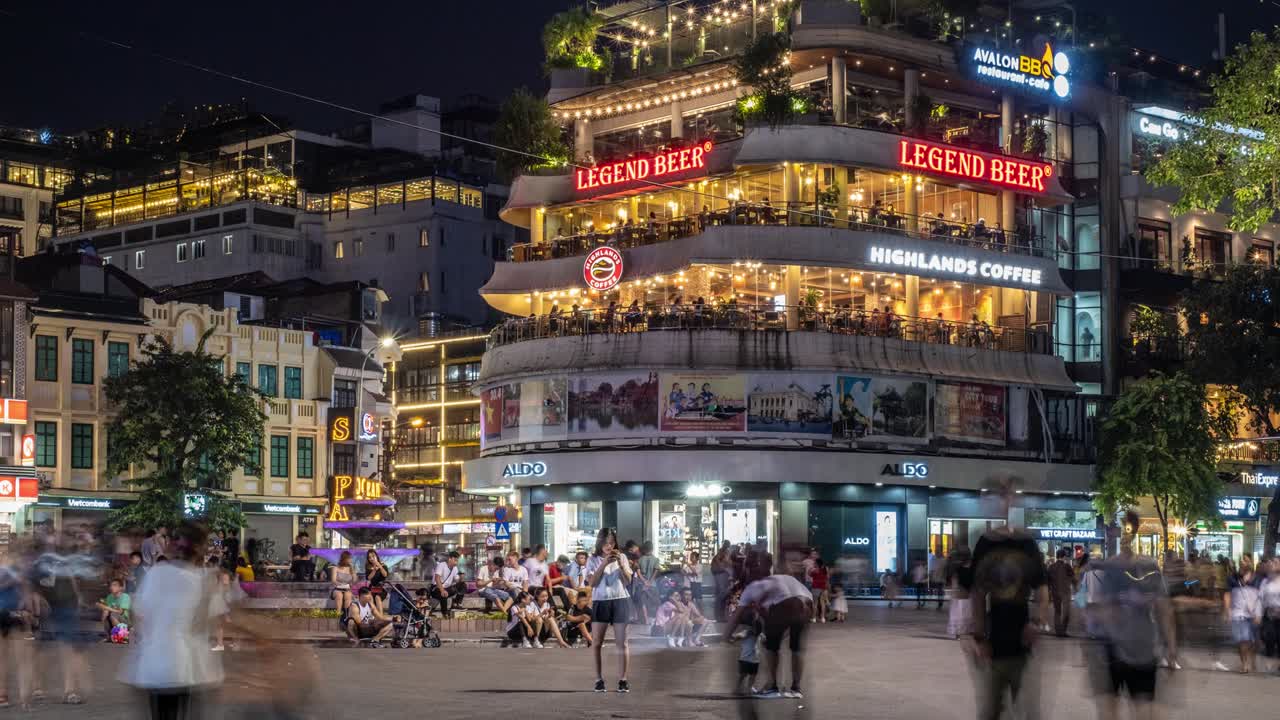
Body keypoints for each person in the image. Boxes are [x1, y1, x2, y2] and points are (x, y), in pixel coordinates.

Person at [963, 479, 1048, 720]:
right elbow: (977, 594)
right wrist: (979, 637)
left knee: (1028, 709)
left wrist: (1037, 622)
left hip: (1024, 643)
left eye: (1008, 494)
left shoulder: (1026, 543)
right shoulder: (986, 543)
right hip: (994, 642)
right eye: (999, 495)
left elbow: (1042, 589)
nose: (1004, 500)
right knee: (990, 709)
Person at [120, 521, 223, 719]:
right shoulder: (201, 581)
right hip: (184, 666)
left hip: (154, 664)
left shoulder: (156, 574)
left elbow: (139, 614)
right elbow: (201, 625)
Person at [1095, 511, 1175, 720]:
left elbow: (1164, 609)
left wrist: (1171, 646)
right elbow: (1102, 607)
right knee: (1121, 707)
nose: (1123, 535)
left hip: (1139, 647)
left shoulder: (1146, 566)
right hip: (1121, 647)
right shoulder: (1113, 566)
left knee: (1139, 707)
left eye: (1125, 529)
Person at [724, 559, 812, 699]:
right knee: (796, 649)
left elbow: (736, 616)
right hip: (807, 603)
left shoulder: (752, 587)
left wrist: (726, 636)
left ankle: (773, 687)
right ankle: (796, 688)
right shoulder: (782, 579)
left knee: (771, 647)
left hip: (786, 605)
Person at [587, 527, 633, 693]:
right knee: (597, 643)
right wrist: (604, 563)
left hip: (620, 600)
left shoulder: (623, 557)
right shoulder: (592, 560)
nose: (608, 546)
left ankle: (623, 679)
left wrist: (620, 564)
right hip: (601, 601)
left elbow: (628, 581)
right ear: (600, 543)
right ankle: (599, 679)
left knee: (622, 643)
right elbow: (592, 582)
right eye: (605, 543)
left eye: (612, 542)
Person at [1225, 557, 1263, 673]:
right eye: (1241, 562)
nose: (1242, 564)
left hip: (1253, 614)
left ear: (1251, 564)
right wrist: (1228, 610)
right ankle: (1244, 664)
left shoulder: (1258, 579)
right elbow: (1227, 594)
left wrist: (1258, 614)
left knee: (1254, 642)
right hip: (1238, 614)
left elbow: (1261, 597)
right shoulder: (1233, 578)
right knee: (1243, 640)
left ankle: (1252, 661)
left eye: (1245, 561)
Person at [945, 547, 973, 639]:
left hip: (961, 594)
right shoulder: (969, 567)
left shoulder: (958, 568)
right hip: (965, 594)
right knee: (964, 613)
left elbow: (954, 580)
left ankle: (959, 632)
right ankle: (962, 632)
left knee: (959, 614)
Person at [1047, 548, 1076, 637]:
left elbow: (1048, 580)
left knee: (1057, 612)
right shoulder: (1067, 566)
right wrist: (1076, 587)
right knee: (1066, 612)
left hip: (1055, 592)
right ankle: (1063, 630)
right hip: (1065, 592)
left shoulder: (1051, 567)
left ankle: (1058, 631)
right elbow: (1073, 578)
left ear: (1057, 556)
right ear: (1064, 557)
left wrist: (1049, 590)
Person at [431, 551, 464, 619]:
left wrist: (461, 578)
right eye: (455, 560)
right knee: (444, 594)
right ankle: (445, 613)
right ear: (450, 559)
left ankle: (456, 603)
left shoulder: (455, 568)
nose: (456, 562)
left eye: (457, 561)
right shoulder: (441, 565)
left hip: (447, 588)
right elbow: (437, 579)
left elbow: (456, 580)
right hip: (436, 588)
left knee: (463, 585)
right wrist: (442, 590)